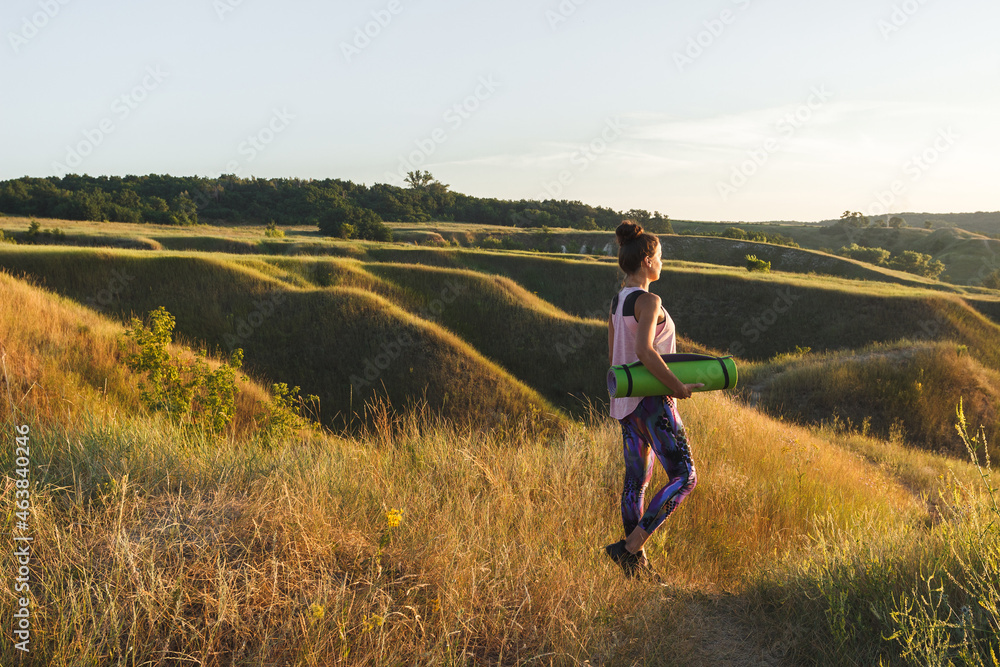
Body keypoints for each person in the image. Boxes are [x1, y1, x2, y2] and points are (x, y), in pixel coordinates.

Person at [604, 220, 701, 578]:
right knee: (685, 476)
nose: (662, 262)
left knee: (635, 484)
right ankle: (630, 549)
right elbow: (645, 351)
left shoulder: (618, 302)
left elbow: (617, 354)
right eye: (659, 256)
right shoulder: (649, 300)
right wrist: (676, 386)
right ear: (646, 260)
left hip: (627, 405)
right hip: (655, 403)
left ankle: (635, 568)